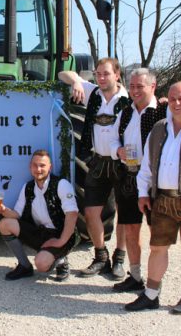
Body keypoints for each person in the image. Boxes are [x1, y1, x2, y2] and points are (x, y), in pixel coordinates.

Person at [58, 58, 129, 278]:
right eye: (97, 73)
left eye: (105, 74)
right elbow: (63, 74)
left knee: (125, 213)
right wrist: (77, 82)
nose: (101, 77)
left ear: (117, 75)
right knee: (90, 212)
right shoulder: (93, 92)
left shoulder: (127, 99)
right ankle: (101, 257)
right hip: (98, 161)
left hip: (122, 162)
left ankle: (119, 258)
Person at [125, 81, 181, 313]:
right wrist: (142, 193)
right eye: (174, 98)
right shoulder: (159, 128)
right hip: (163, 199)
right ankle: (151, 294)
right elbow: (147, 166)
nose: (177, 103)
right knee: (158, 247)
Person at [109, 68, 166, 293]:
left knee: (157, 235)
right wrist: (118, 151)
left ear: (152, 87)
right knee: (131, 229)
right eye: (131, 86)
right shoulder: (125, 113)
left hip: (155, 180)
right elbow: (113, 141)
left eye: (139, 86)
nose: (134, 91)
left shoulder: (164, 112)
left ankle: (155, 284)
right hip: (128, 176)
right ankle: (135, 276)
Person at [0, 150, 78, 281]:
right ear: (30, 167)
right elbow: (17, 215)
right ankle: (24, 266)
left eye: (42, 165)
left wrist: (61, 241)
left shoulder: (61, 184)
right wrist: (3, 210)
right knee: (5, 223)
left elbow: (72, 214)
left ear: (50, 167)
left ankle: (61, 261)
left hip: (60, 234)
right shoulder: (28, 187)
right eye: (35, 165)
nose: (38, 169)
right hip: (40, 231)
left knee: (41, 265)